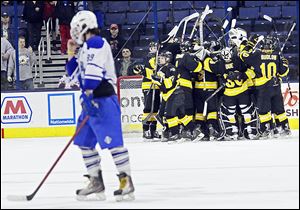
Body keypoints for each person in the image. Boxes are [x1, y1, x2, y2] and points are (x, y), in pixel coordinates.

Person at [66, 10, 134, 201]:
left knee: (114, 143)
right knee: (84, 142)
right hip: (91, 101)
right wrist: (71, 54)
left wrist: (87, 94)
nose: (74, 32)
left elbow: (93, 76)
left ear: (85, 26)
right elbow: (75, 74)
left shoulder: (96, 43)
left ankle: (126, 182)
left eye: (77, 28)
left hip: (102, 101)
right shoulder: (86, 47)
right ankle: (96, 181)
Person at [234, 30, 291, 138]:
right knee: (279, 109)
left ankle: (266, 130)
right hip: (276, 86)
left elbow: (243, 55)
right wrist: (284, 62)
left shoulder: (257, 55)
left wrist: (250, 44)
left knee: (264, 110)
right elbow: (284, 72)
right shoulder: (277, 56)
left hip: (263, 87)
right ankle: (284, 128)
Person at [133, 41, 161, 141]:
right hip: (148, 85)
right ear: (149, 48)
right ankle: (145, 129)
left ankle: (153, 130)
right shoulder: (149, 57)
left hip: (156, 85)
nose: (154, 49)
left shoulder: (158, 57)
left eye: (156, 47)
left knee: (155, 109)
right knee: (148, 107)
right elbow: (154, 66)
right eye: (152, 47)